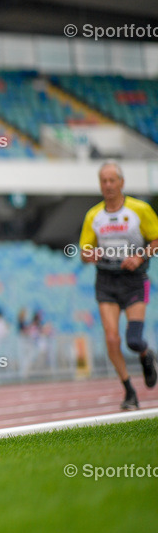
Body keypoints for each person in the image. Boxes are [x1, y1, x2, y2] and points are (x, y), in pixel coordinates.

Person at [79, 161, 158, 410]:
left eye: (113, 180)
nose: (108, 185)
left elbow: (156, 240)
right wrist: (88, 255)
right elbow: (84, 250)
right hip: (106, 280)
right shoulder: (94, 215)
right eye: (104, 181)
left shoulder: (140, 209)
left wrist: (140, 257)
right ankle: (129, 390)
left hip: (135, 280)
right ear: (100, 185)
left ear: (122, 183)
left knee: (133, 340)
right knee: (112, 339)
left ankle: (146, 355)